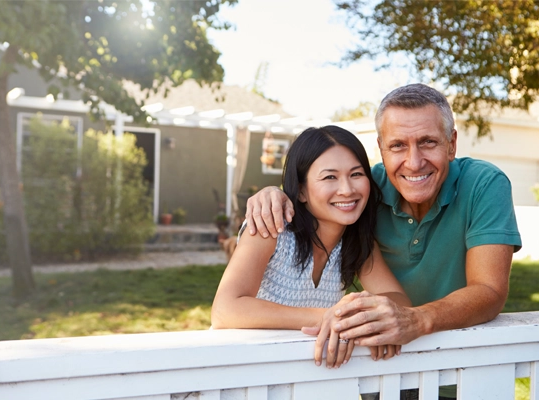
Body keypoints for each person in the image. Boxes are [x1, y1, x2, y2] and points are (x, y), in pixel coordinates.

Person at [243, 84, 521, 398]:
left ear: (452, 144)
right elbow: (319, 190)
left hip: (460, 372)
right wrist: (273, 194)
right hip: (380, 369)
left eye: (428, 142)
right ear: (382, 149)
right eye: (398, 145)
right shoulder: (365, 190)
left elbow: (490, 290)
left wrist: (416, 319)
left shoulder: (484, 184)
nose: (414, 162)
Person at [210, 125, 410, 368]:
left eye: (356, 174)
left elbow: (400, 302)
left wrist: (359, 313)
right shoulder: (272, 228)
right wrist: (333, 316)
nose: (347, 190)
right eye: (329, 177)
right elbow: (225, 310)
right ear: (301, 190)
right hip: (244, 369)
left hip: (306, 375)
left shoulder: (356, 241)